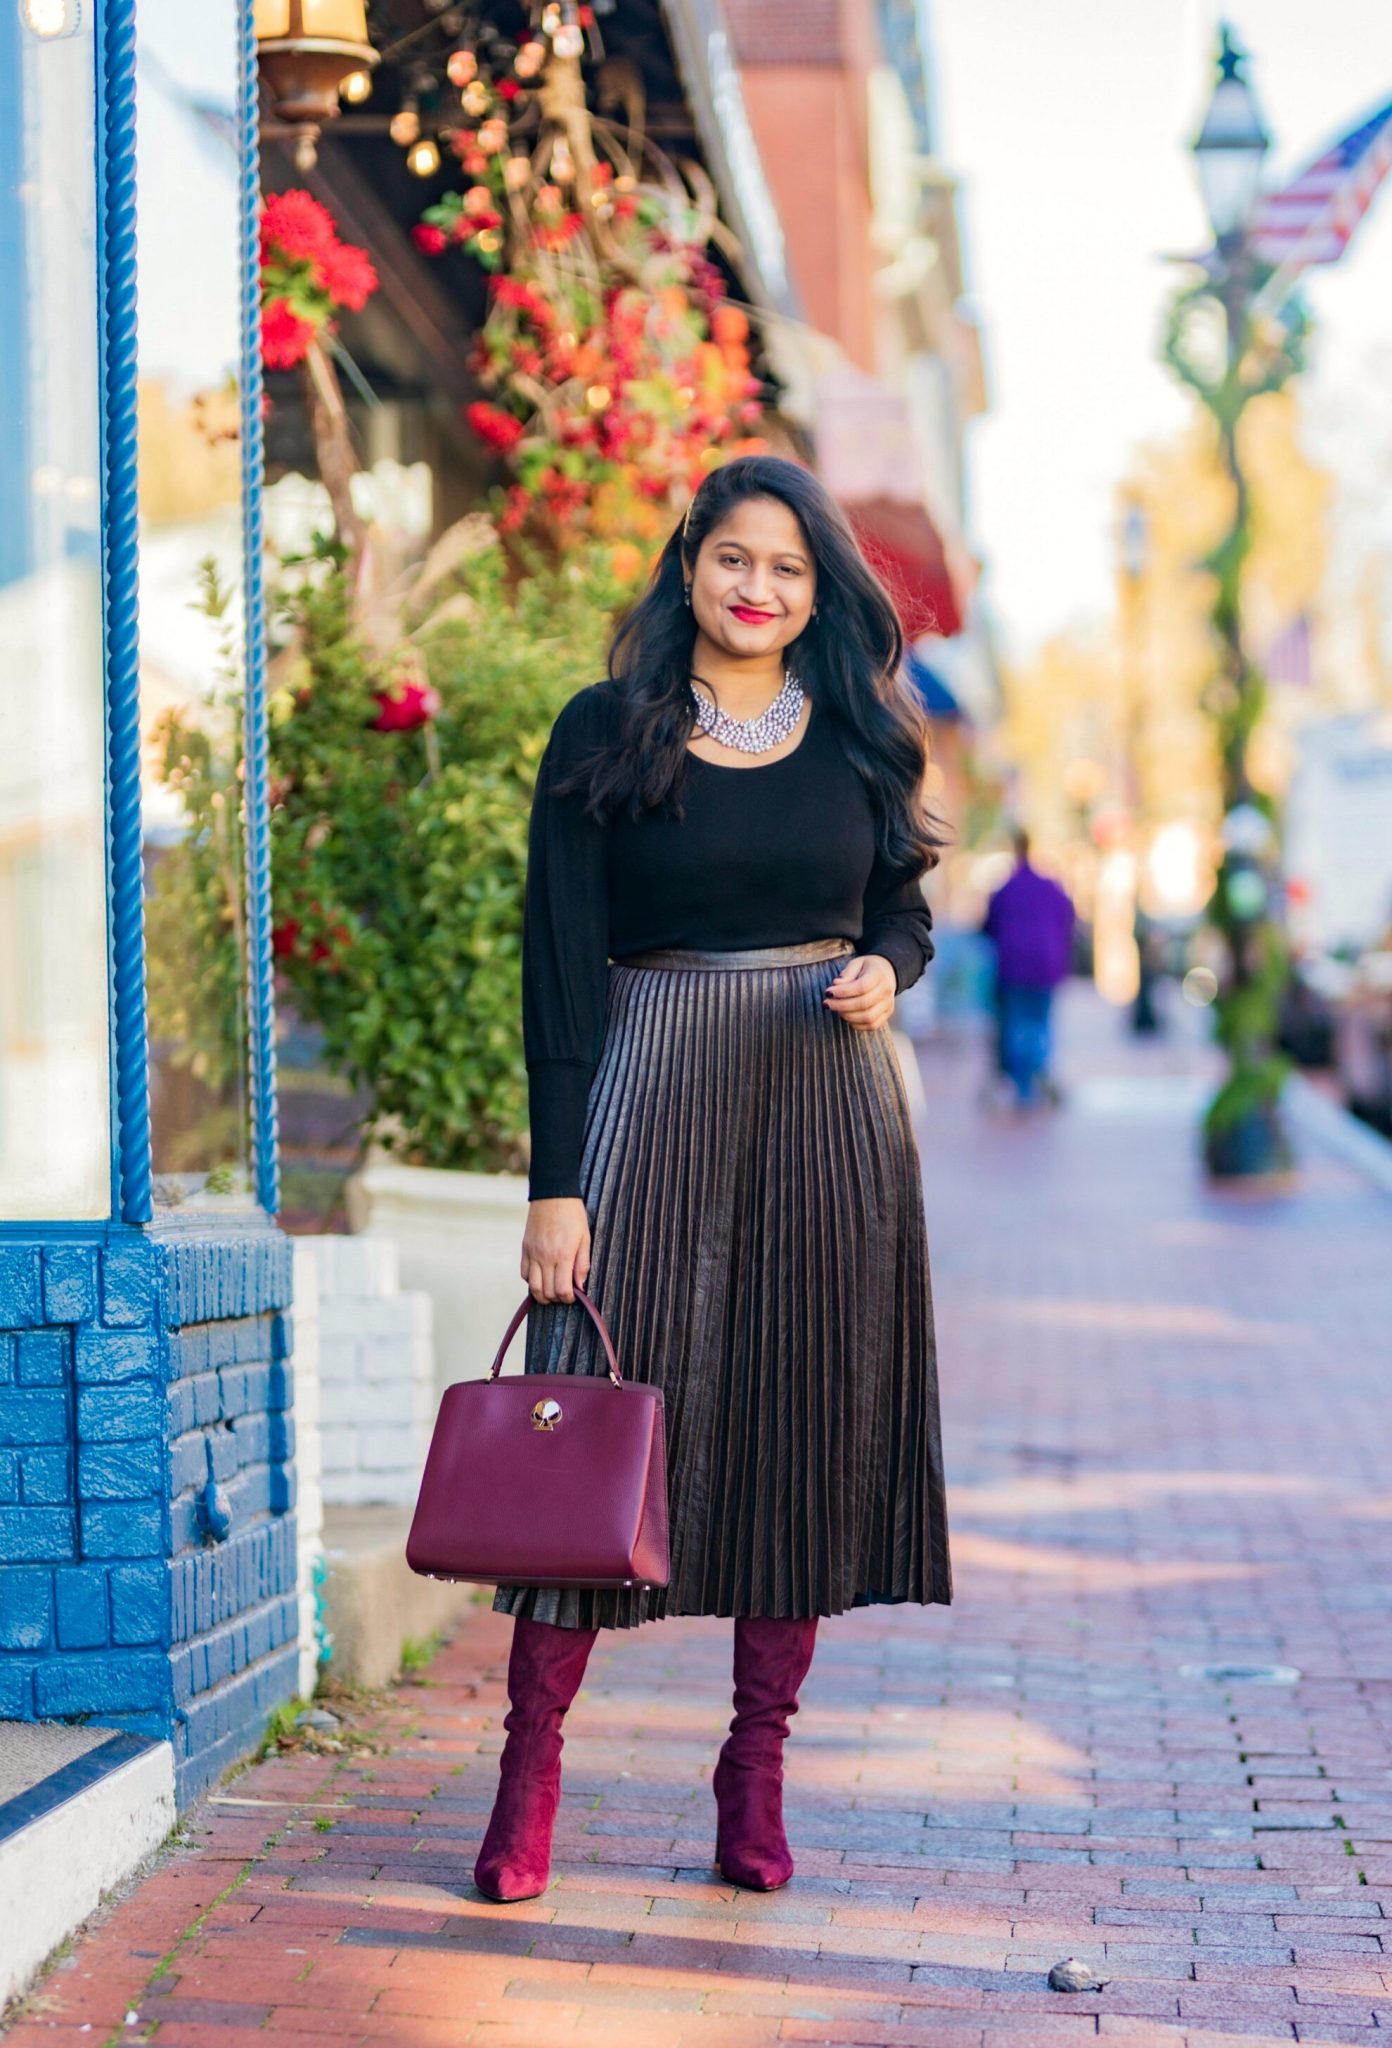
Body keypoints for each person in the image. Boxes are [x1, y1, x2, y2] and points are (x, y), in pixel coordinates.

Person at [475, 454, 952, 1906]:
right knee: (589, 1425)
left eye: (790, 569)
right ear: (689, 567)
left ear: (820, 595)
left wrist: (887, 965)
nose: (760, 588)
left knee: (803, 1427)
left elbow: (902, 906)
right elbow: (556, 969)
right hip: (650, 1072)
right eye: (735, 559)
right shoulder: (607, 732)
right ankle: (530, 1774)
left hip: (824, 1088)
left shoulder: (867, 735)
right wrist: (558, 1185)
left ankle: (757, 1770)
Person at [982, 828, 1075, 1105]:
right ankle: (1038, 1072)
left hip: (1013, 967)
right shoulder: (1050, 887)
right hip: (1046, 966)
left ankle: (1025, 1084)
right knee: (1040, 1024)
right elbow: (1068, 918)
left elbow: (988, 925)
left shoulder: (1006, 889)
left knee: (1017, 1026)